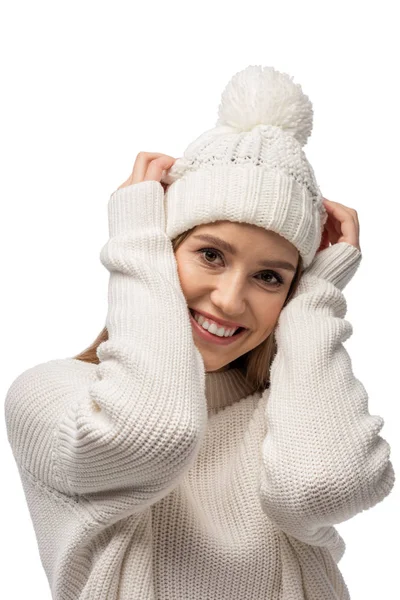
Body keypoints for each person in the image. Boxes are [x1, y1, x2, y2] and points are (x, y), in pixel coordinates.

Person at [4, 65, 395, 599]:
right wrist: (138, 242)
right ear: (161, 250)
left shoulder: (295, 411)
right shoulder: (54, 397)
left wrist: (317, 301)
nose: (232, 300)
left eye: (270, 277)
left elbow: (323, 489)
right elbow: (149, 437)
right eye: (210, 254)